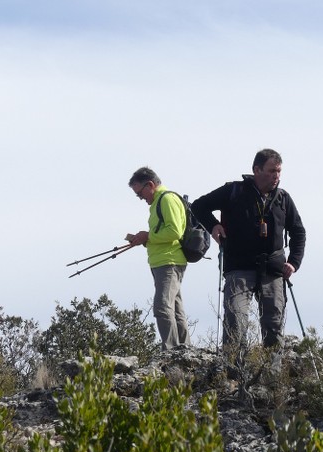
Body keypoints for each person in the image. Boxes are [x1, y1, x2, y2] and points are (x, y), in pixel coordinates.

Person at [191, 148, 306, 351]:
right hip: (239, 266)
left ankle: (272, 377)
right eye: (271, 171)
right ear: (257, 169)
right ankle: (234, 374)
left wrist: (294, 263)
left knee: (274, 324)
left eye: (279, 171)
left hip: (273, 269)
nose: (276, 176)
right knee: (236, 317)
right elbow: (199, 206)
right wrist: (213, 226)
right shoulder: (234, 191)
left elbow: (298, 232)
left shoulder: (283, 198)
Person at [126, 167, 191, 351]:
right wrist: (144, 239)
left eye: (140, 193)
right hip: (161, 261)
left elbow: (174, 231)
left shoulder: (166, 199)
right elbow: (161, 234)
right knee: (175, 308)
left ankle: (171, 350)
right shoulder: (157, 203)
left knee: (162, 306)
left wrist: (148, 236)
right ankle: (184, 349)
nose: (140, 198)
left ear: (150, 185)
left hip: (169, 262)